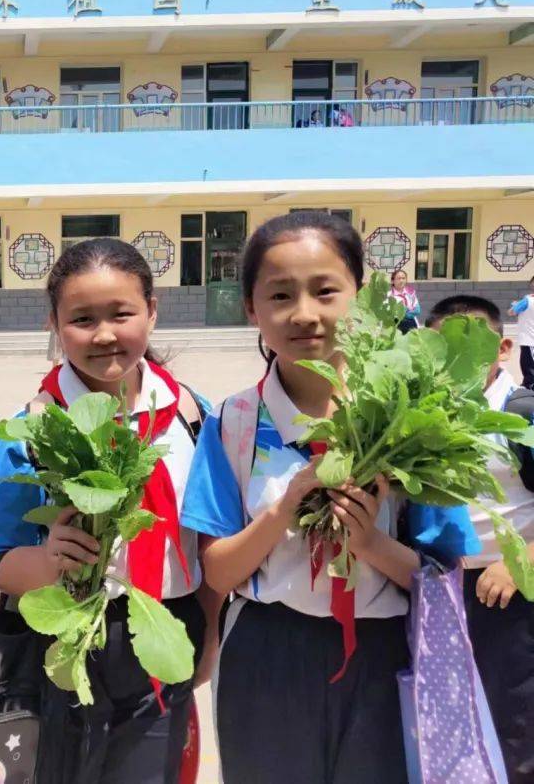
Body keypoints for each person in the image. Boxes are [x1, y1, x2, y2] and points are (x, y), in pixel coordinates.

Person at [180, 211, 480, 784]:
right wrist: (283, 507)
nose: (305, 314)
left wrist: (368, 543)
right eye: (279, 295)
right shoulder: (233, 423)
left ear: (359, 297)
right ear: (251, 309)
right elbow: (217, 571)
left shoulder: (410, 421)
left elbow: (444, 572)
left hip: (386, 652)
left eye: (325, 291)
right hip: (267, 652)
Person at [0, 237, 221, 783]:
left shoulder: (195, 418)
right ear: (55, 323)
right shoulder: (29, 429)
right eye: (82, 319)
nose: (105, 334)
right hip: (57, 644)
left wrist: (207, 641)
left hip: (163, 631)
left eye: (122, 314)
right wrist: (47, 560)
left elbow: (207, 545)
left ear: (152, 311)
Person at [427, 295, 534, 783]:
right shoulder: (425, 413)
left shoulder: (524, 414)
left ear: (504, 348)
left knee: (515, 724)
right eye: (443, 345)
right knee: (448, 726)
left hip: (510, 597)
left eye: (472, 344)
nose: (457, 358)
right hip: (440, 595)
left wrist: (519, 561)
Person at [510, 275, 534, 389]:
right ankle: (527, 383)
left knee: (527, 364)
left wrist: (515, 305)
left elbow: (512, 312)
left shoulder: (527, 300)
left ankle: (529, 385)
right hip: (529, 338)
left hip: (529, 339)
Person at [389, 268, 421, 333]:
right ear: (392, 281)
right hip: (396, 327)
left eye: (403, 278)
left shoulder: (411, 293)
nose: (401, 280)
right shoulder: (389, 296)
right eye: (398, 278)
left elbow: (417, 311)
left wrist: (404, 311)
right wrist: (408, 310)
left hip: (412, 325)